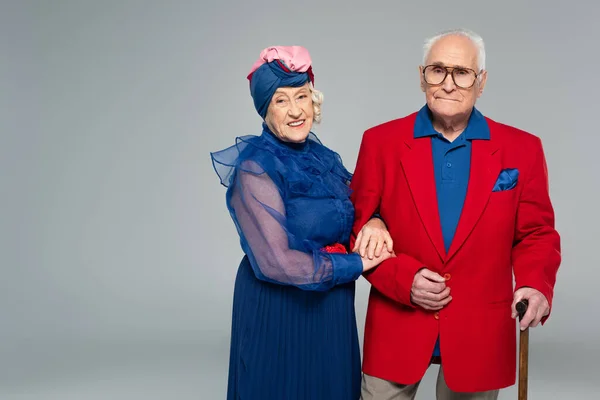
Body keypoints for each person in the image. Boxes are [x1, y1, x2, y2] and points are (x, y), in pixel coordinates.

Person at [349, 28, 561, 399]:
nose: (448, 84)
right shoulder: (379, 142)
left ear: (481, 82)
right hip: (398, 321)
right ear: (421, 76)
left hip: (480, 327)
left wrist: (533, 283)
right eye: (437, 70)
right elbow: (355, 230)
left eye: (462, 73)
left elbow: (537, 233)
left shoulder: (522, 149)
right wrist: (404, 278)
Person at [210, 45, 393, 400]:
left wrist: (377, 222)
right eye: (280, 101)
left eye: (302, 96)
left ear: (314, 101)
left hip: (331, 307)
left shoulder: (323, 158)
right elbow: (276, 262)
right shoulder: (255, 168)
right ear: (264, 110)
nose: (295, 111)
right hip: (279, 311)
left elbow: (363, 205)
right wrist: (356, 263)